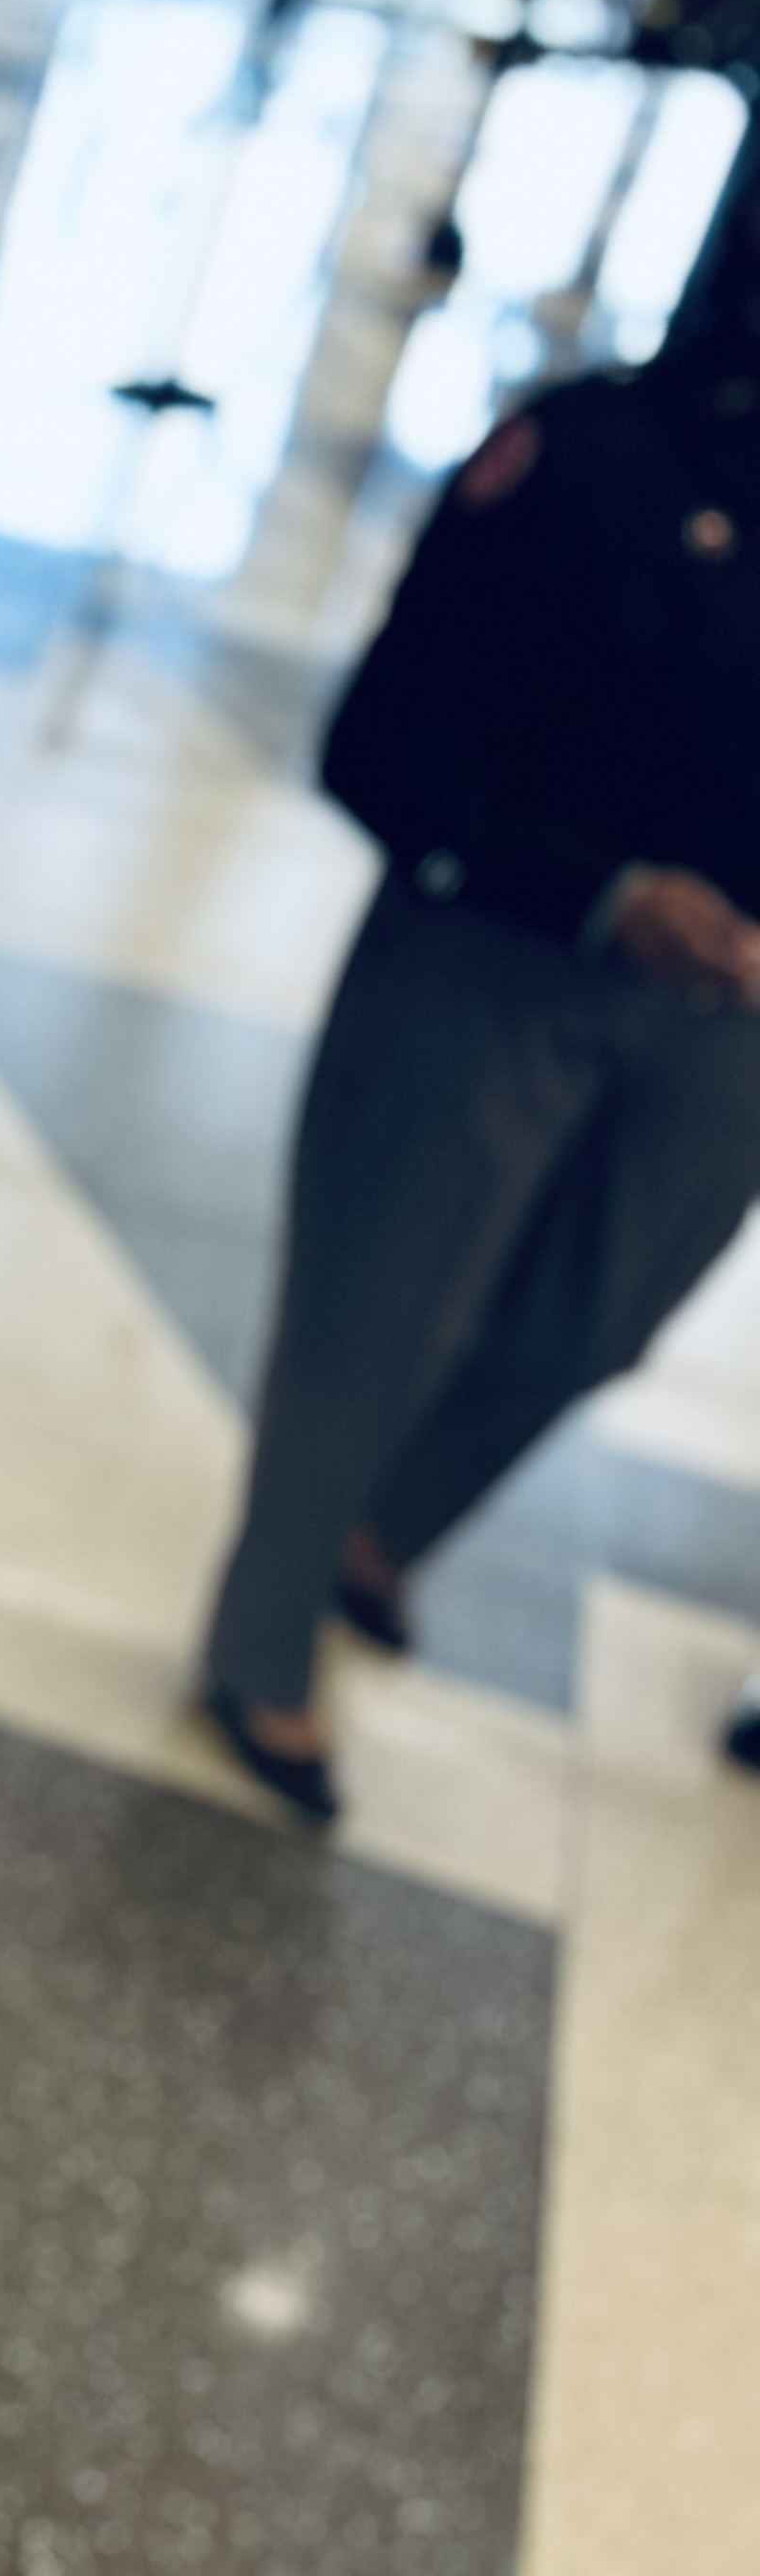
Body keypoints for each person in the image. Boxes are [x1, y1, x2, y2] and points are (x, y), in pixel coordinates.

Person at [195, 217, 760, 1822]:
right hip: (496, 956)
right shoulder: (590, 456)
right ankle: (261, 1648)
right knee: (367, 1321)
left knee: (601, 1318)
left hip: (731, 1019)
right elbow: (378, 746)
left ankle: (385, 1529)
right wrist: (605, 896)